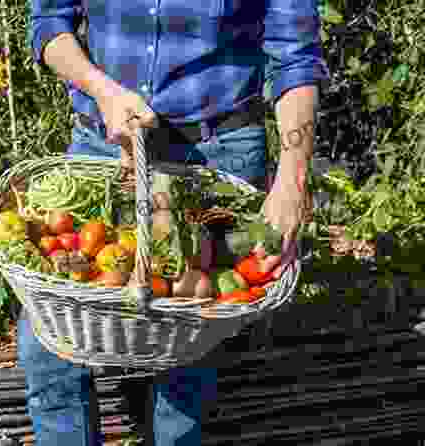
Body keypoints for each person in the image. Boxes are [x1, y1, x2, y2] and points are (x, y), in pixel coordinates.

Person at [19, 0, 329, 444]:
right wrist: (103, 90)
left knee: (189, 351)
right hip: (108, 146)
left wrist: (293, 178)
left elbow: (296, 57)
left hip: (215, 154)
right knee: (49, 341)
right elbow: (49, 24)